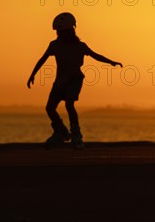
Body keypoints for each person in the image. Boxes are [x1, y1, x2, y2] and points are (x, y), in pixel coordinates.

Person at [27, 12, 123, 148]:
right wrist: (33, 74)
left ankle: (76, 135)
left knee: (69, 105)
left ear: (71, 30)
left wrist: (111, 62)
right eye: (59, 33)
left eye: (63, 32)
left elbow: (96, 55)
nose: (60, 35)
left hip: (75, 80)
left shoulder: (80, 46)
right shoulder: (54, 45)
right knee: (49, 108)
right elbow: (42, 59)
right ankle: (60, 132)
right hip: (60, 81)